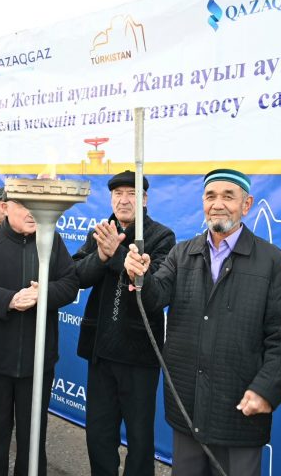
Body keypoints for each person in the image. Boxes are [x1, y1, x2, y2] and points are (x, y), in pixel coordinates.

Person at [124, 168, 281, 476]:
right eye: (210, 196)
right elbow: (154, 296)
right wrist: (141, 275)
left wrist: (266, 390)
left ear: (246, 205)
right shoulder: (182, 253)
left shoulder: (274, 262)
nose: (218, 204)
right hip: (187, 405)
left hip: (240, 411)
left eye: (228, 196)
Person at [0, 194, 78, 475]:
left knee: (33, 436)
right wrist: (10, 300)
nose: (31, 212)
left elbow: (70, 283)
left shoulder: (51, 240)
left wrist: (43, 293)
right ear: (5, 207)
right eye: (24, 205)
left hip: (38, 362)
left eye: (36, 205)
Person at [73, 170, 175, 475]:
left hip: (139, 355)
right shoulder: (101, 232)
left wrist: (116, 255)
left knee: (140, 440)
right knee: (98, 434)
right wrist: (100, 256)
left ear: (144, 200)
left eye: (132, 194)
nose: (124, 200)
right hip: (100, 352)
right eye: (118, 194)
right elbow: (77, 275)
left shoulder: (161, 236)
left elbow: (156, 288)